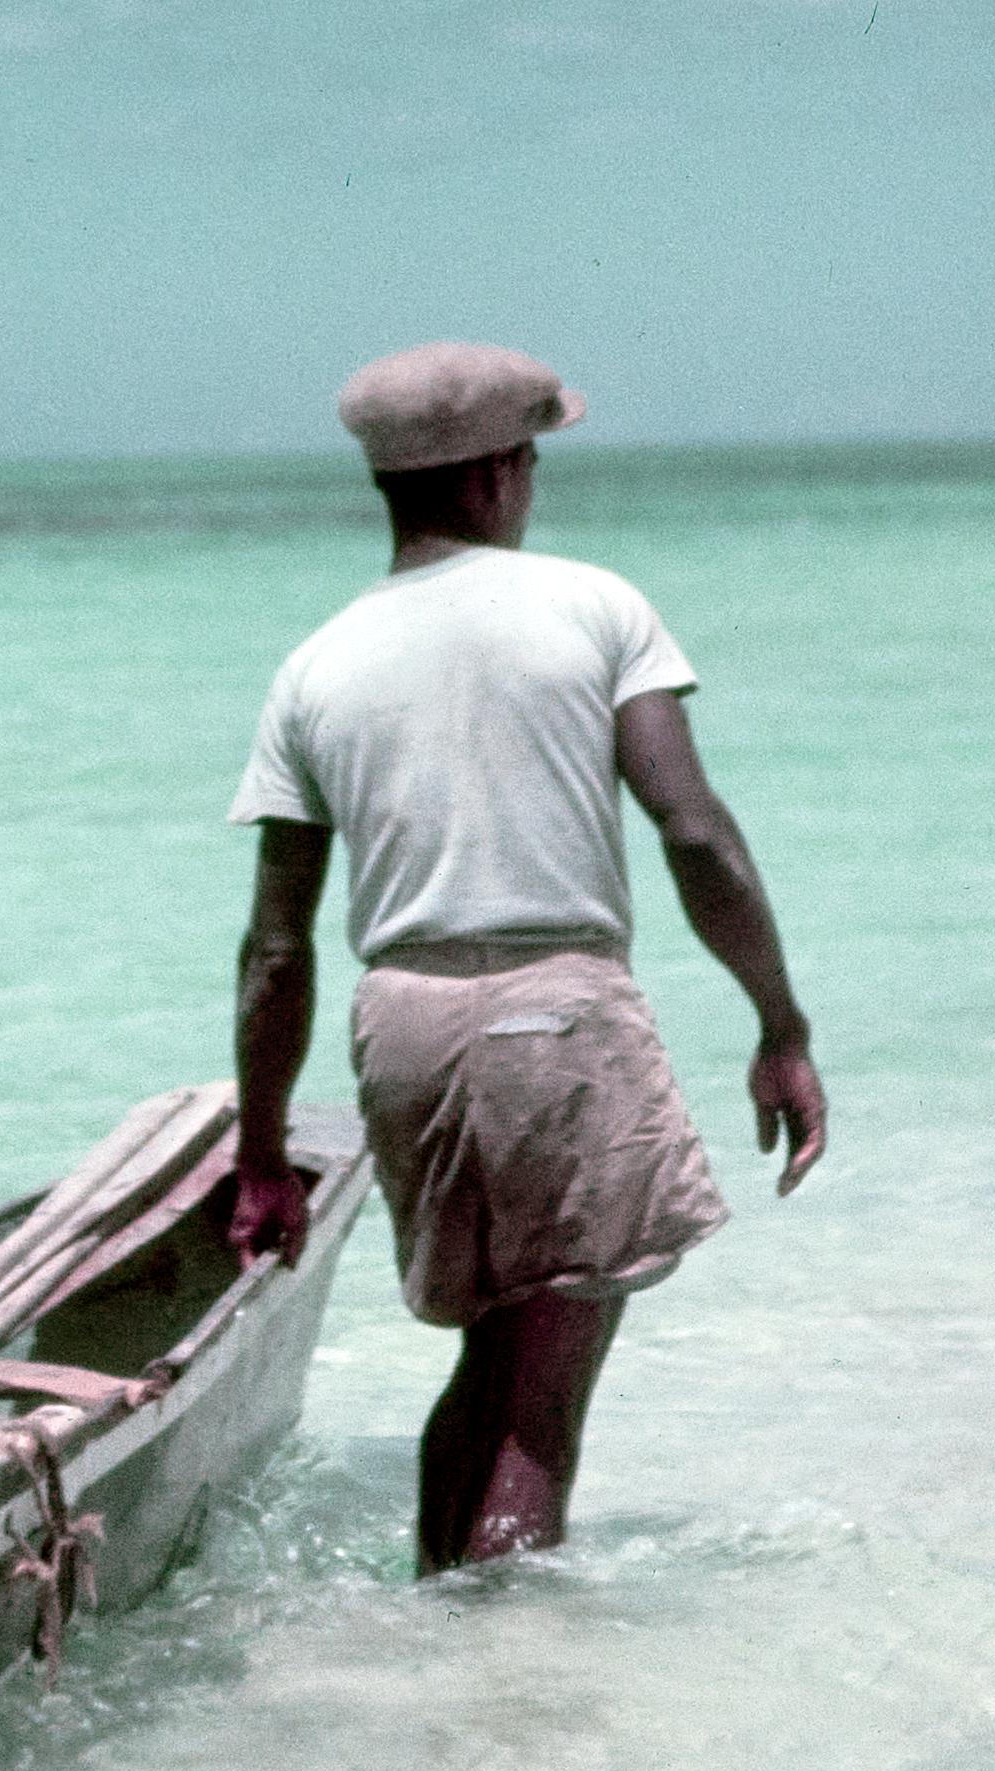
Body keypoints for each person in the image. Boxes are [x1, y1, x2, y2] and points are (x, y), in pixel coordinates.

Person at [226, 340, 826, 1575]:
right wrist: (779, 1025)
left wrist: (260, 1153)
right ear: (499, 473)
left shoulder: (312, 667)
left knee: (490, 1357)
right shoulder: (594, 605)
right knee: (542, 1401)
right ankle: (500, 1685)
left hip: (400, 1025)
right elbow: (693, 831)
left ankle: (434, 1615)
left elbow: (275, 948)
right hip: (556, 1013)